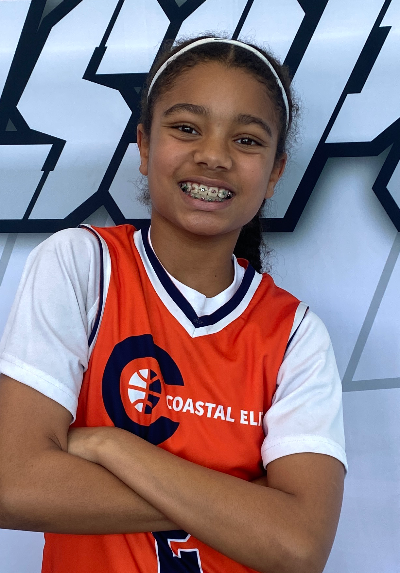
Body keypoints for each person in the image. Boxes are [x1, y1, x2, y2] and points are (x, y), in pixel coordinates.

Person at [0, 36, 347, 573]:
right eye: (186, 128)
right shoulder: (81, 265)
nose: (213, 156)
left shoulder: (295, 334)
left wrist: (113, 446)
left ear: (275, 173)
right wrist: (243, 504)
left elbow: (300, 547)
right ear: (143, 145)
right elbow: (14, 484)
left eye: (247, 140)